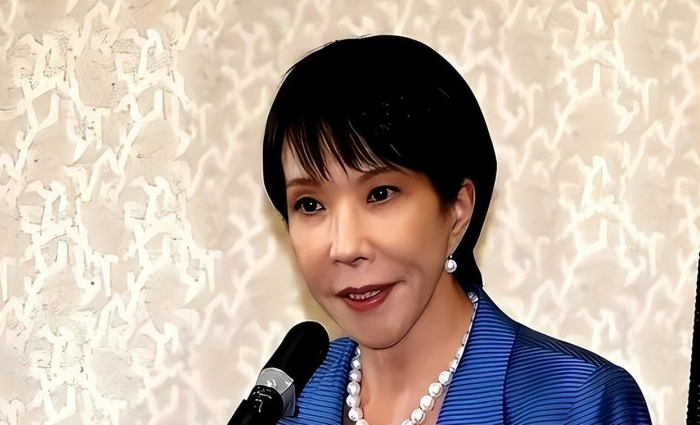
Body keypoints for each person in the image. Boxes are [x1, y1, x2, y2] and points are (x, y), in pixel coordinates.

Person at [261, 35, 651, 425]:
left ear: (458, 209)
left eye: (380, 194)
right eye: (309, 204)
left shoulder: (576, 402)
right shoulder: (286, 406)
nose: (345, 246)